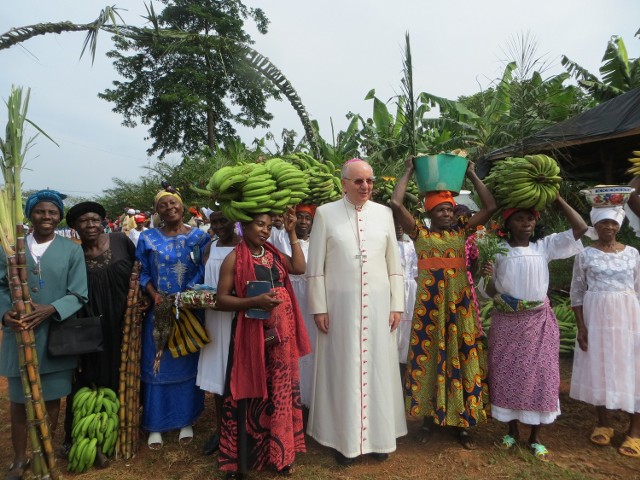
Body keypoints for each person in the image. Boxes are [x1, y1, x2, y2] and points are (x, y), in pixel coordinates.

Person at [391, 156, 496, 450]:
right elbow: (396, 204)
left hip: (459, 311)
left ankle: (463, 422)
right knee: (430, 362)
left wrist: (473, 175)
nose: (448, 213)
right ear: (430, 214)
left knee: (462, 359)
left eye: (450, 209)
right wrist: (408, 169)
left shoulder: (462, 231)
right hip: (430, 313)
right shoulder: (420, 234)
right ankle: (428, 420)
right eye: (441, 209)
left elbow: (490, 207)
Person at [306, 158, 407, 466]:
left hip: (378, 307)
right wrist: (318, 307)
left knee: (378, 369)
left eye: (370, 181)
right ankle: (342, 440)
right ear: (344, 184)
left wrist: (397, 304)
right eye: (359, 181)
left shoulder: (384, 214)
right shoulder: (325, 214)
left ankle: (379, 438)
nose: (366, 186)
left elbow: (394, 265)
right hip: (339, 308)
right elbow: (315, 268)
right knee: (343, 370)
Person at [481, 197, 587, 461]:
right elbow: (488, 292)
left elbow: (581, 228)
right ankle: (511, 430)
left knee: (541, 375)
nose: (526, 223)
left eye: (530, 218)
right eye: (519, 218)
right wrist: (487, 274)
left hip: (538, 321)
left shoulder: (544, 247)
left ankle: (535, 436)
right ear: (508, 223)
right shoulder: (497, 251)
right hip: (507, 323)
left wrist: (559, 199)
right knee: (506, 373)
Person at [215, 209, 311, 479]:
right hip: (252, 336)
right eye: (259, 225)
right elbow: (221, 300)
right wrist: (253, 303)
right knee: (250, 391)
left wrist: (291, 233)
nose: (265, 231)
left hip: (282, 339)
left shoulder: (273, 253)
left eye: (269, 226)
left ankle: (280, 455)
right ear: (243, 226)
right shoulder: (234, 258)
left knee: (279, 393)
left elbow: (300, 268)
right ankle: (245, 458)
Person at [0, 189, 87, 480]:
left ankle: (46, 451)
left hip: (54, 333)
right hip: (20, 333)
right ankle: (19, 458)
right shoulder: (10, 247)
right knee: (19, 399)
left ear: (59, 216)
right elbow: (1, 286)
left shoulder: (71, 250)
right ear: (30, 214)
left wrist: (51, 308)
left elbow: (79, 292)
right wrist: (5, 313)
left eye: (52, 212)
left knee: (51, 398)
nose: (46, 217)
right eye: (40, 211)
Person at [136, 184, 211, 449]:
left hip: (189, 310)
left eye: (173, 203)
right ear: (157, 211)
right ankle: (155, 424)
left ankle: (185, 419)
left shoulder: (200, 238)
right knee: (158, 364)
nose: (169, 208)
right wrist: (154, 293)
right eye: (162, 205)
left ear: (181, 205)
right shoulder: (147, 238)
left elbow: (205, 269)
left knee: (187, 362)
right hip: (159, 310)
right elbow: (143, 271)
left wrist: (186, 295)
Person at [61, 201, 136, 463]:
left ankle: (118, 430)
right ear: (74, 228)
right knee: (87, 376)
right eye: (83, 221)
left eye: (95, 219)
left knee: (121, 372)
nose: (91, 225)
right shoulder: (73, 255)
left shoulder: (120, 241)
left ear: (103, 221)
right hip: (89, 325)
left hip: (124, 323)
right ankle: (83, 435)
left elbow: (140, 272)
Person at [569, 206, 640, 457]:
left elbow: (639, 289)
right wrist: (581, 326)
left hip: (629, 317)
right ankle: (603, 422)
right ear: (595, 226)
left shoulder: (633, 254)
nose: (608, 227)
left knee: (632, 368)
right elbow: (576, 293)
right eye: (603, 223)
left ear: (619, 226)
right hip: (595, 317)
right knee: (599, 365)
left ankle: (634, 432)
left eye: (613, 223)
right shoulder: (585, 254)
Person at [196, 210, 241, 456]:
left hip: (238, 316)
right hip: (214, 317)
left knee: (238, 372)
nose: (219, 226)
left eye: (223, 220)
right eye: (214, 222)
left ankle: (242, 426)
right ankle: (221, 428)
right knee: (217, 373)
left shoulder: (244, 246)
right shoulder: (209, 248)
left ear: (234, 221)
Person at [290, 204, 316, 409]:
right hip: (291, 296)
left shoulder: (317, 242)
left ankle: (311, 396)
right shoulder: (283, 238)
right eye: (300, 217)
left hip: (311, 298)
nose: (304, 222)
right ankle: (294, 397)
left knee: (311, 346)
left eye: (308, 218)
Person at [394, 218, 417, 381]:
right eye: (395, 222)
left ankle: (406, 375)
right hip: (392, 290)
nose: (398, 226)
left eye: (401, 223)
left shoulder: (413, 245)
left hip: (411, 291)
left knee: (408, 332)